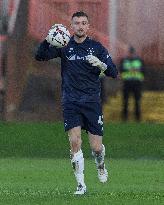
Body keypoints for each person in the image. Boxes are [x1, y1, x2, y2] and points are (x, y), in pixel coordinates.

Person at [35, 11, 118, 195]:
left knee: (96, 148)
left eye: (83, 23)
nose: (80, 26)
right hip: (70, 101)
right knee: (75, 141)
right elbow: (40, 56)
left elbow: (114, 72)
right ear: (71, 26)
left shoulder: (97, 48)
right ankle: (81, 185)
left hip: (92, 101)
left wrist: (101, 65)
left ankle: (101, 165)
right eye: (77, 23)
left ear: (88, 26)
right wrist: (48, 40)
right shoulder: (64, 45)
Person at [119, 46, 145, 121]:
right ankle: (124, 117)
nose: (131, 54)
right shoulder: (124, 60)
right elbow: (121, 70)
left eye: (132, 52)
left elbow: (143, 71)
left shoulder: (139, 60)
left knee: (137, 101)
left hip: (137, 83)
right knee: (125, 101)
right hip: (127, 82)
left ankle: (138, 118)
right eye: (130, 52)